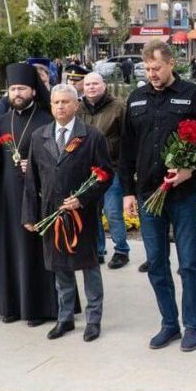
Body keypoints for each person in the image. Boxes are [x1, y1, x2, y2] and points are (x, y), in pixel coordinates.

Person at [121, 39, 196, 352]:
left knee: (189, 263)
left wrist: (191, 171)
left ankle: (192, 326)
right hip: (149, 195)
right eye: (147, 68)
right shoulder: (136, 99)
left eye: (157, 68)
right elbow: (125, 151)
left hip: (184, 195)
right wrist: (126, 192)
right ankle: (169, 324)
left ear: (171, 64)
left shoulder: (193, 95)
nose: (152, 73)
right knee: (156, 263)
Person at [23, 84, 113, 342]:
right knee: (60, 269)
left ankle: (93, 319)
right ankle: (65, 318)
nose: (60, 106)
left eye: (65, 102)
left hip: (81, 215)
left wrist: (83, 199)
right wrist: (30, 215)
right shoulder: (40, 136)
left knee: (89, 268)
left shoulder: (91, 136)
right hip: (52, 214)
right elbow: (32, 181)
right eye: (56, 102)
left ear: (76, 105)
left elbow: (105, 175)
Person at [0, 63, 61, 327]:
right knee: (10, 248)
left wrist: (36, 163)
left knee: (36, 250)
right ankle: (10, 306)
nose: (16, 93)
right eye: (12, 89)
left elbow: (61, 158)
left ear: (34, 90)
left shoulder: (47, 119)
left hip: (40, 195)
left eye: (21, 88)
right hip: (9, 196)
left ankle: (40, 308)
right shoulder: (1, 121)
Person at [78, 72, 131, 269]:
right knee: (93, 211)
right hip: (87, 170)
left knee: (112, 211)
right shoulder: (78, 107)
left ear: (104, 85)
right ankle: (98, 250)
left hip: (112, 168)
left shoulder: (118, 107)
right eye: (88, 84)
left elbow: (127, 138)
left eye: (95, 84)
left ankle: (121, 250)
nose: (91, 87)